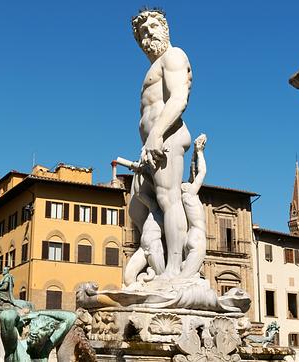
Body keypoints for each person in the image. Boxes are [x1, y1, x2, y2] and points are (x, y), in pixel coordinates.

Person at [126, 8, 193, 282]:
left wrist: (156, 134)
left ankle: (175, 271)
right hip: (150, 146)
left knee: (169, 199)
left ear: (165, 28)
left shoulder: (174, 55)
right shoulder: (152, 67)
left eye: (152, 27)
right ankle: (157, 265)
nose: (147, 34)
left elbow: (178, 98)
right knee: (138, 209)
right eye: (142, 32)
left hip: (167, 136)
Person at [0, 309, 76, 362]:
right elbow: (6, 316)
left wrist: (39, 313)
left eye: (42, 329)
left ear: (49, 335)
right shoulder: (14, 347)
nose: (34, 332)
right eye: (33, 326)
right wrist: (24, 317)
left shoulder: (46, 347)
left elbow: (71, 317)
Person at [179, 134, 208, 278]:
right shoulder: (190, 194)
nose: (190, 182)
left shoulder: (184, 198)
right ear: (185, 187)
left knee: (188, 273)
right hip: (197, 236)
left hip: (188, 237)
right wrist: (200, 152)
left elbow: (192, 174)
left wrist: (193, 157)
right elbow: (202, 172)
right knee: (185, 279)